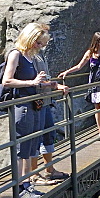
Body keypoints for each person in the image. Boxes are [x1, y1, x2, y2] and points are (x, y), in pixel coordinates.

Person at [1, 22, 61, 198]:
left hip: (35, 105)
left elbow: (34, 82)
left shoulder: (30, 57)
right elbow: (7, 81)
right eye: (38, 43)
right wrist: (32, 83)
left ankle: (27, 184)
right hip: (23, 107)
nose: (40, 47)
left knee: (32, 145)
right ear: (30, 39)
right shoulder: (16, 54)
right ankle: (20, 188)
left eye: (42, 44)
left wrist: (45, 84)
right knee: (22, 148)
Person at [58, 32, 100, 137]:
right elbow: (79, 66)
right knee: (97, 108)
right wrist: (67, 72)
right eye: (99, 42)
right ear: (95, 42)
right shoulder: (90, 53)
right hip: (93, 84)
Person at [32, 25, 70, 184]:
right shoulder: (27, 56)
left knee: (49, 135)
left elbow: (43, 78)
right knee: (34, 138)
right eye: (41, 42)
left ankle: (49, 169)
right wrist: (50, 84)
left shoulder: (39, 54)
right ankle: (33, 173)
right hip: (35, 103)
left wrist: (53, 85)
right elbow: (33, 81)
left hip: (45, 101)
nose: (44, 45)